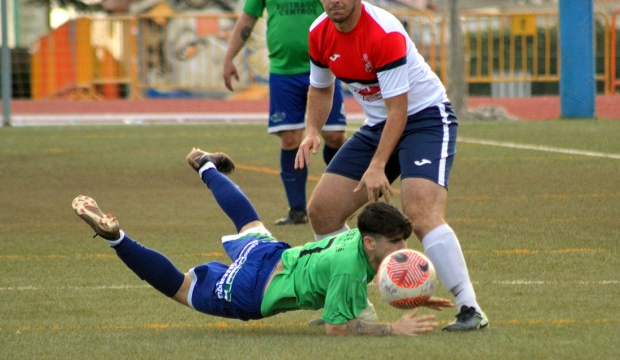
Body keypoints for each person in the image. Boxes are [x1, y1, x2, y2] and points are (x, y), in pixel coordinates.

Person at [295, 0, 488, 332]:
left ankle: (469, 308)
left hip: (426, 118)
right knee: (322, 211)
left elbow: (399, 111)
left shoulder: (384, 32)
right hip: (379, 123)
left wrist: (377, 165)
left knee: (418, 210)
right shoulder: (319, 32)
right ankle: (354, 306)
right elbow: (321, 88)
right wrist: (312, 131)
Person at [71, 148, 454, 336]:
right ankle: (117, 238)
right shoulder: (351, 271)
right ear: (369, 243)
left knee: (248, 222)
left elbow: (340, 299)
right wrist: (393, 329)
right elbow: (336, 328)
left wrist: (412, 293)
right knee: (181, 288)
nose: (405, 249)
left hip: (272, 255)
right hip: (253, 289)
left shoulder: (355, 238)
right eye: (396, 241)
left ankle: (205, 166)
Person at [223, 0, 347, 226]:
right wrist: (229, 57)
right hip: (283, 72)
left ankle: (339, 199)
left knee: (334, 138)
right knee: (290, 139)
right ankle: (297, 210)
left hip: (325, 70)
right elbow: (248, 18)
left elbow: (346, 14)